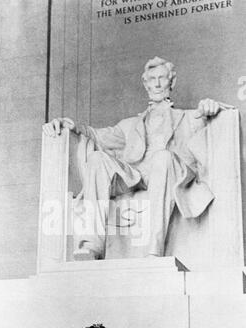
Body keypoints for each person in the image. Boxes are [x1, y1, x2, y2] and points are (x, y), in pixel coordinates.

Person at [43, 57, 233, 259]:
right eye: (152, 79)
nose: (157, 84)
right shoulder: (129, 125)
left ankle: (154, 250)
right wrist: (68, 126)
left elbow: (221, 116)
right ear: (146, 84)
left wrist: (211, 107)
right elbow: (95, 134)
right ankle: (92, 246)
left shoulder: (189, 117)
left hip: (169, 173)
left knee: (163, 158)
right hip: (136, 176)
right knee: (98, 159)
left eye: (162, 78)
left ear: (172, 82)